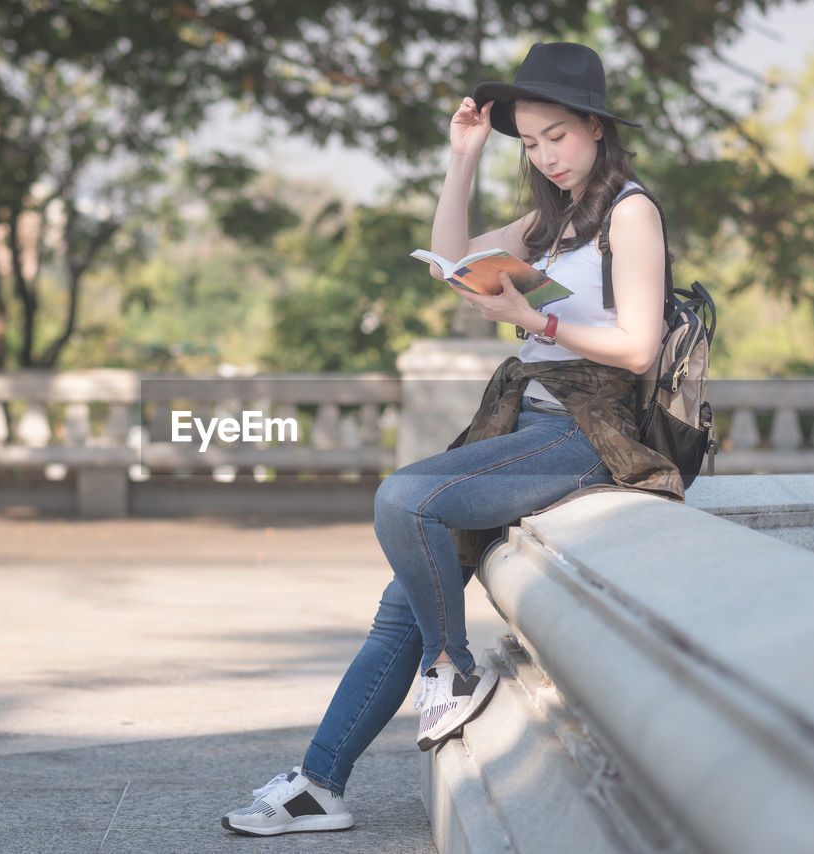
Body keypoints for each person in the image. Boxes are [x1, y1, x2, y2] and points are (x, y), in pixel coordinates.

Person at [221, 41, 682, 837]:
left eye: (558, 137)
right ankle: (319, 784)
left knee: (407, 498)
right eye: (530, 141)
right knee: (401, 605)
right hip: (528, 422)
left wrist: (533, 319)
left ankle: (453, 669)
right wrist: (462, 158)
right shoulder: (553, 220)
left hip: (590, 432)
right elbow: (452, 262)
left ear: (597, 129)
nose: (546, 155)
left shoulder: (630, 212)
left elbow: (639, 347)